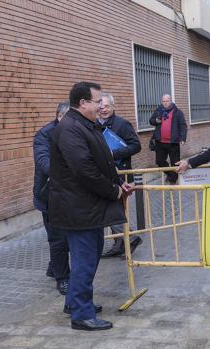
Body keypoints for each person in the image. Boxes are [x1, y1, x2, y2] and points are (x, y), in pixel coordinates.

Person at [49, 82, 133, 331]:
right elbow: (84, 170)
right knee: (86, 259)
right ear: (82, 103)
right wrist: (113, 190)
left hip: (88, 207)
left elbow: (103, 162)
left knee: (92, 253)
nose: (101, 106)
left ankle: (74, 302)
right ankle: (81, 315)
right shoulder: (70, 129)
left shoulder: (86, 125)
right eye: (97, 102)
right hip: (78, 209)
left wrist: (119, 182)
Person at [96, 93, 143, 258]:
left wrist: (112, 153)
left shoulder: (122, 124)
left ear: (113, 107)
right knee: (112, 208)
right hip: (103, 174)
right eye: (100, 107)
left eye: (106, 106)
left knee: (116, 208)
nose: (103, 110)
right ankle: (121, 243)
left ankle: (128, 240)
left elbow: (136, 146)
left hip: (120, 173)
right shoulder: (93, 124)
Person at [33, 101, 71, 296]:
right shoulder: (44, 135)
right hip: (50, 196)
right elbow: (44, 163)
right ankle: (62, 279)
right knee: (58, 240)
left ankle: (53, 266)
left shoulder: (74, 133)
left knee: (68, 238)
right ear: (59, 117)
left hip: (71, 196)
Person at [150, 94, 187, 184]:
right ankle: (171, 175)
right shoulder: (159, 110)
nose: (165, 103)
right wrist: (156, 121)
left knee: (175, 163)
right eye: (164, 101)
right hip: (160, 142)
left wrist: (182, 138)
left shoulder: (177, 112)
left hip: (173, 142)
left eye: (167, 101)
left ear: (170, 101)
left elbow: (183, 126)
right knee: (159, 161)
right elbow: (151, 120)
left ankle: (173, 180)